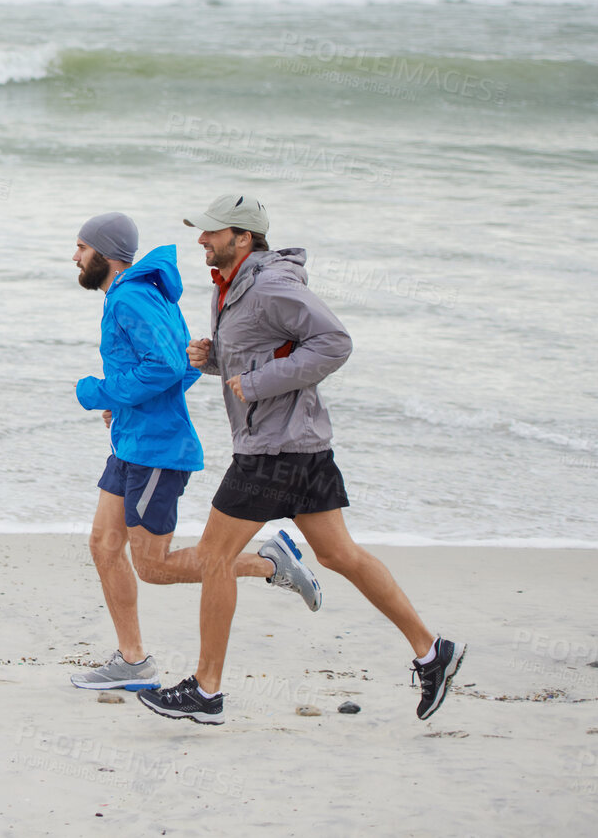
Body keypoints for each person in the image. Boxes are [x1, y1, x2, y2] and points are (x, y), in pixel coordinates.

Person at [136, 195, 465, 725]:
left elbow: (334, 342)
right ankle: (433, 652)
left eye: (212, 233)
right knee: (340, 557)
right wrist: (215, 359)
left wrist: (257, 382)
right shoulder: (232, 287)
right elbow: (269, 352)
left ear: (243, 238)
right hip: (298, 446)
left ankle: (207, 689)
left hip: (273, 449)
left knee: (215, 559)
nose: (201, 240)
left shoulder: (270, 284)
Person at [67, 212, 320, 694]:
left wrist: (100, 393)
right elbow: (184, 364)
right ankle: (133, 661)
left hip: (156, 453)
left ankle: (269, 563)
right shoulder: (142, 295)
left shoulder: (130, 298)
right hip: (133, 443)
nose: (74, 256)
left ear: (106, 254)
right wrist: (125, 407)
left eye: (81, 247)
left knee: (154, 567)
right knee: (103, 546)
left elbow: (163, 367)